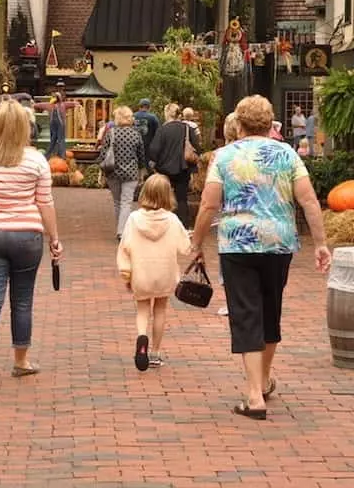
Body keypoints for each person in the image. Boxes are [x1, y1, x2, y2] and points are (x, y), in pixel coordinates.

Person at [191, 95, 331, 421]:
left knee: (246, 314)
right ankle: (264, 380)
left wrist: (196, 242)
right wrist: (321, 243)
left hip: (238, 245)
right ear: (271, 124)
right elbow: (309, 201)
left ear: (238, 124)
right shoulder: (287, 154)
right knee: (270, 311)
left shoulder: (224, 157)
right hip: (279, 243)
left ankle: (255, 395)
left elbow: (209, 205)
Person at [0, 100, 63, 390]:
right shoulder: (36, 160)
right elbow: (45, 202)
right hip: (27, 235)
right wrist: (54, 237)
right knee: (22, 299)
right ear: (25, 127)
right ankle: (21, 361)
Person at [117, 174, 191, 371]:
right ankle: (156, 353)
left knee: (142, 309)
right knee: (160, 310)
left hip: (141, 273)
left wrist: (126, 273)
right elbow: (185, 247)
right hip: (165, 273)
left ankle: (142, 338)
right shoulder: (173, 220)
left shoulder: (133, 219)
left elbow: (125, 248)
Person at [148, 103, 200, 228]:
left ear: (166, 114)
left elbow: (154, 149)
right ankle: (183, 225)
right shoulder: (188, 129)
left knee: (163, 197)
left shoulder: (162, 129)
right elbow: (197, 148)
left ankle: (163, 224)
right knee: (182, 198)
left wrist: (153, 163)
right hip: (183, 167)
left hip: (164, 168)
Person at [98, 106, 145, 240]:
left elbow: (103, 155)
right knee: (126, 202)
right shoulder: (136, 134)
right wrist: (142, 171)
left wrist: (101, 172)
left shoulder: (110, 133)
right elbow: (141, 155)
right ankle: (122, 231)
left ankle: (120, 229)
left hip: (112, 172)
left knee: (117, 202)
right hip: (131, 173)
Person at [215, 112, 240, 318]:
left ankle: (231, 302)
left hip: (230, 217)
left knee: (229, 264)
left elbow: (211, 196)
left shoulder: (222, 154)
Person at [35, 92, 79, 160]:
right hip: (60, 125)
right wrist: (76, 104)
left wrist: (34, 105)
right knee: (60, 140)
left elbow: (40, 105)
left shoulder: (50, 105)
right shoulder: (62, 105)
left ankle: (48, 156)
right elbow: (72, 104)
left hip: (54, 125)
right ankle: (61, 157)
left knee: (53, 140)